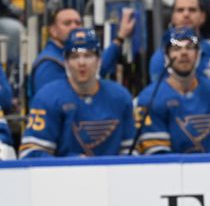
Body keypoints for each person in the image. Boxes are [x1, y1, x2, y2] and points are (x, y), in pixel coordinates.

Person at [19, 28, 136, 158]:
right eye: (75, 56)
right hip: (61, 178)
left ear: (99, 60)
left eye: (88, 55)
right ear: (66, 63)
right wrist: (72, 165)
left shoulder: (120, 97)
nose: (81, 62)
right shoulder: (46, 98)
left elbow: (131, 152)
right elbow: (31, 153)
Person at [135, 28, 210, 154]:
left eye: (190, 47)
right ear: (166, 56)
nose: (184, 53)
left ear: (198, 54)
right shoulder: (150, 97)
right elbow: (158, 157)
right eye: (176, 48)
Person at [28, 7, 136, 97]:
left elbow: (97, 70)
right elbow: (51, 103)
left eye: (78, 23)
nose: (74, 27)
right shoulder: (49, 64)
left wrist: (120, 37)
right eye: (67, 23)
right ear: (53, 31)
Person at [149, 0, 210, 83]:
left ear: (203, 17)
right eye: (180, 10)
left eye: (192, 10)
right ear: (173, 17)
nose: (186, 14)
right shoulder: (161, 57)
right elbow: (160, 93)